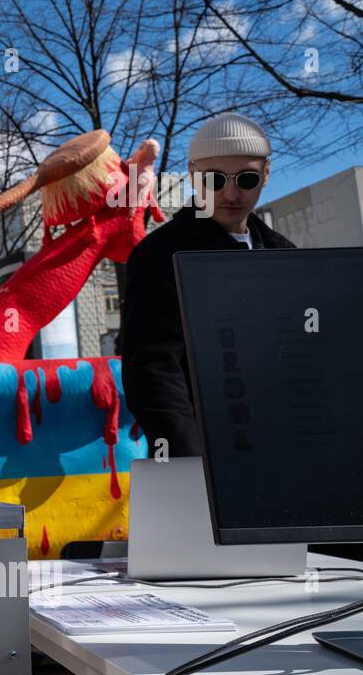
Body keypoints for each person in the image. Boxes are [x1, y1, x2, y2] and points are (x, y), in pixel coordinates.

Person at [119, 112, 295, 460]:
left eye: (246, 179)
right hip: (209, 459)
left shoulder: (282, 253)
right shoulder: (160, 255)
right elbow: (153, 369)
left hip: (284, 449)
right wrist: (190, 461)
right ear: (193, 175)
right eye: (214, 179)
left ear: (266, 174)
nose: (230, 193)